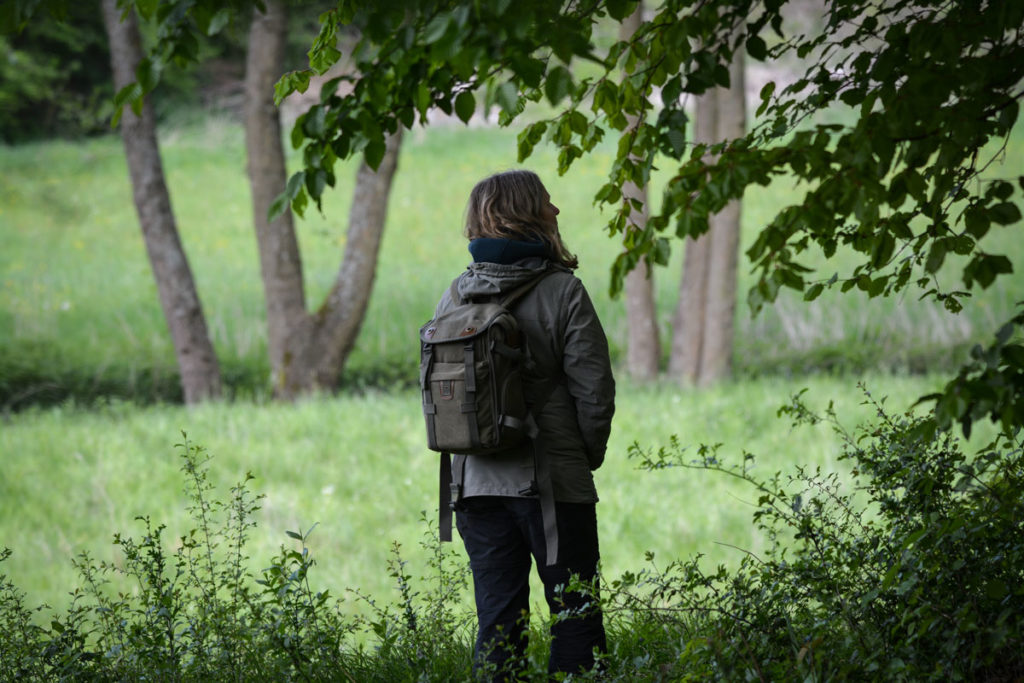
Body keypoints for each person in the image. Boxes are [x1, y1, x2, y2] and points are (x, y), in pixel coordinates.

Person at [430, 169, 616, 678]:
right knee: (575, 616)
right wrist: (583, 458)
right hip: (553, 484)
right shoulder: (562, 292)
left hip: (472, 484)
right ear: (525, 216)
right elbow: (594, 392)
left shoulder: (455, 296)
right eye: (546, 203)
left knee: (497, 623)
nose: (556, 211)